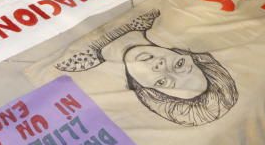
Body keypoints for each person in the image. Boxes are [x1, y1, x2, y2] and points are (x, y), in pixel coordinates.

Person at [55, 9, 238, 126]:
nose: (161, 67)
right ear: (187, 55)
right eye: (179, 65)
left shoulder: (73, 61)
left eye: (163, 81)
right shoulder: (154, 13)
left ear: (144, 89)